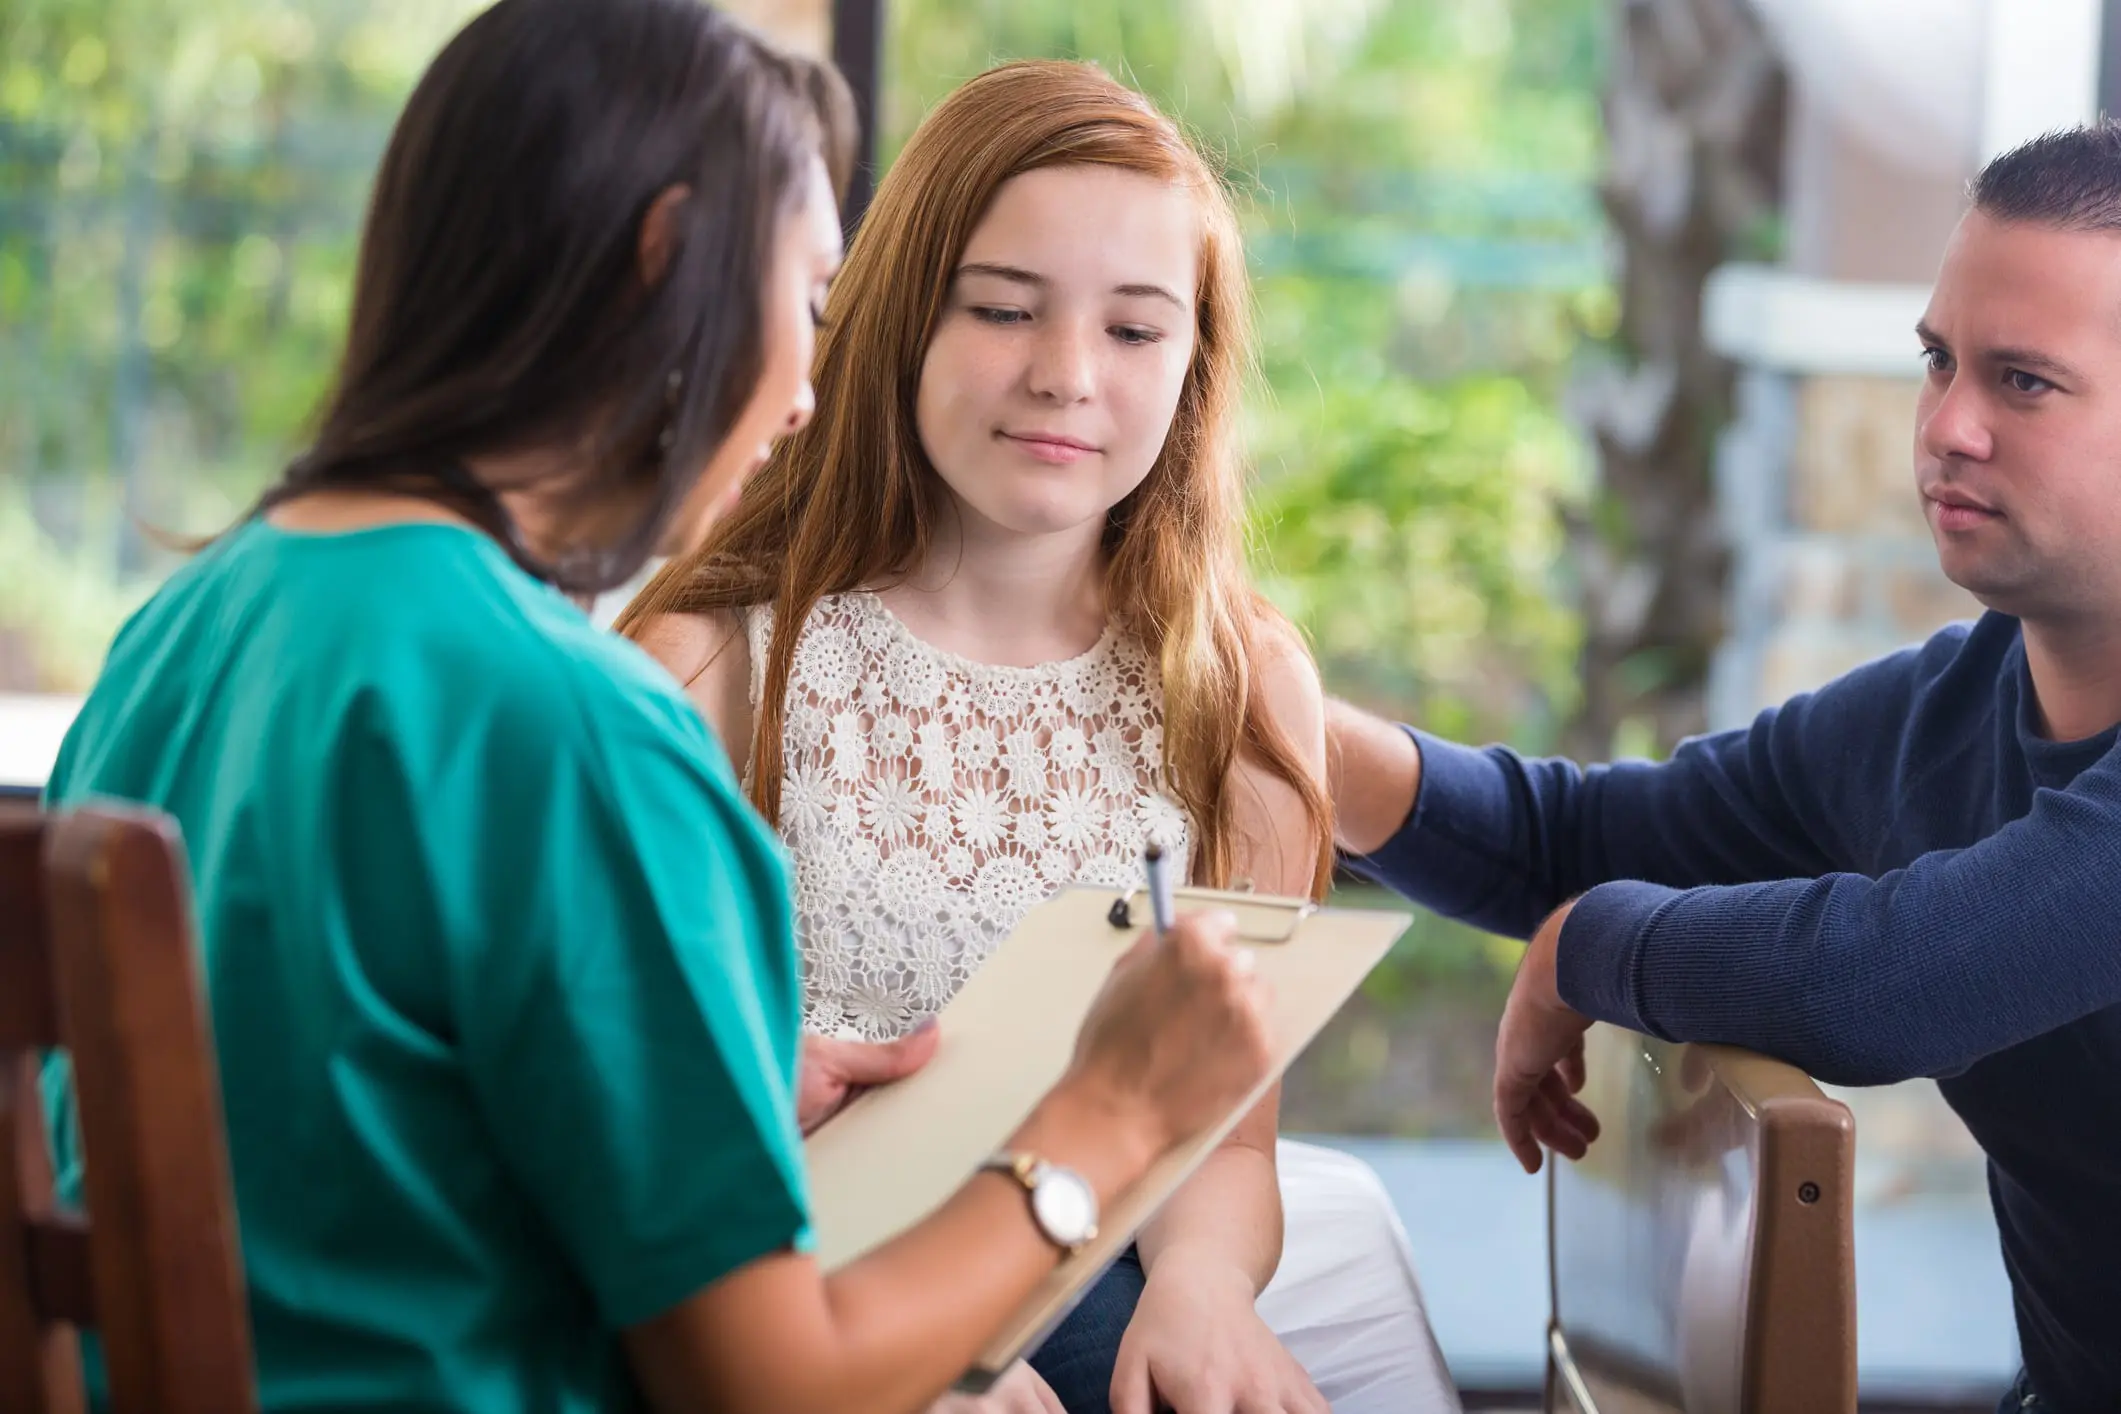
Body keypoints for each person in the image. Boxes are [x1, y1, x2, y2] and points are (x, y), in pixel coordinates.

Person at [38, 5, 1274, 1412]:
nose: (809, 395)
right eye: (808, 303)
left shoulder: (187, 631)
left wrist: (709, 1073)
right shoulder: (576, 727)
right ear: (668, 256)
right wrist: (1101, 1126)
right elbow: (777, 1388)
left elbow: (333, 1107)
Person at [619, 59, 1458, 1414]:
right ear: (898, 320)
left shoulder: (1237, 692)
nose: (1066, 376)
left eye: (1136, 332)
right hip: (790, 1306)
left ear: (1195, 368)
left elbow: (1228, 1145)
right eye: (1004, 309)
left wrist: (1201, 1291)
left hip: (1102, 1269)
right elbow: (638, 1152)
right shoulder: (715, 668)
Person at [1326, 122, 2121, 1414]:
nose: (1949, 426)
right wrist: (1304, 740)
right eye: (1938, 362)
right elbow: (1577, 843)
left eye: (2024, 381)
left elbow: (1883, 982)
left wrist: (1595, 940)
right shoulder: (1942, 710)